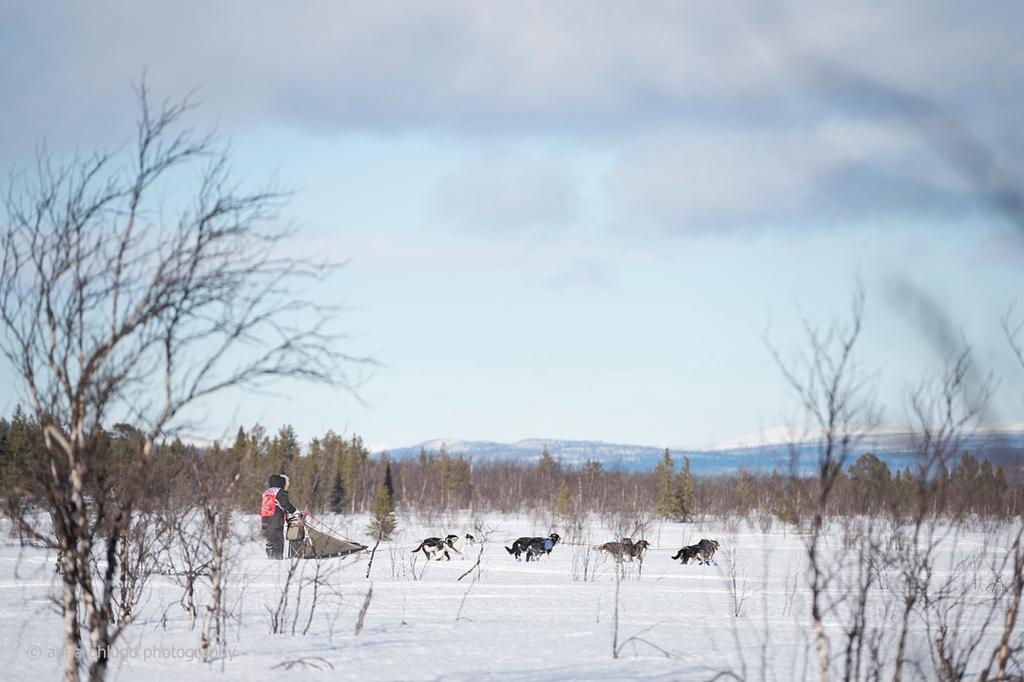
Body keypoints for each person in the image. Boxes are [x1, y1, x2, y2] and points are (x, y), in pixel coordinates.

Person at [260, 473, 298, 559]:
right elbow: (285, 504)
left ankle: (270, 556)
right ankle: (277, 558)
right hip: (275, 520)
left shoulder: (266, 492)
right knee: (278, 540)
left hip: (265, 520)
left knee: (270, 540)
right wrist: (294, 511)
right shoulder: (279, 491)